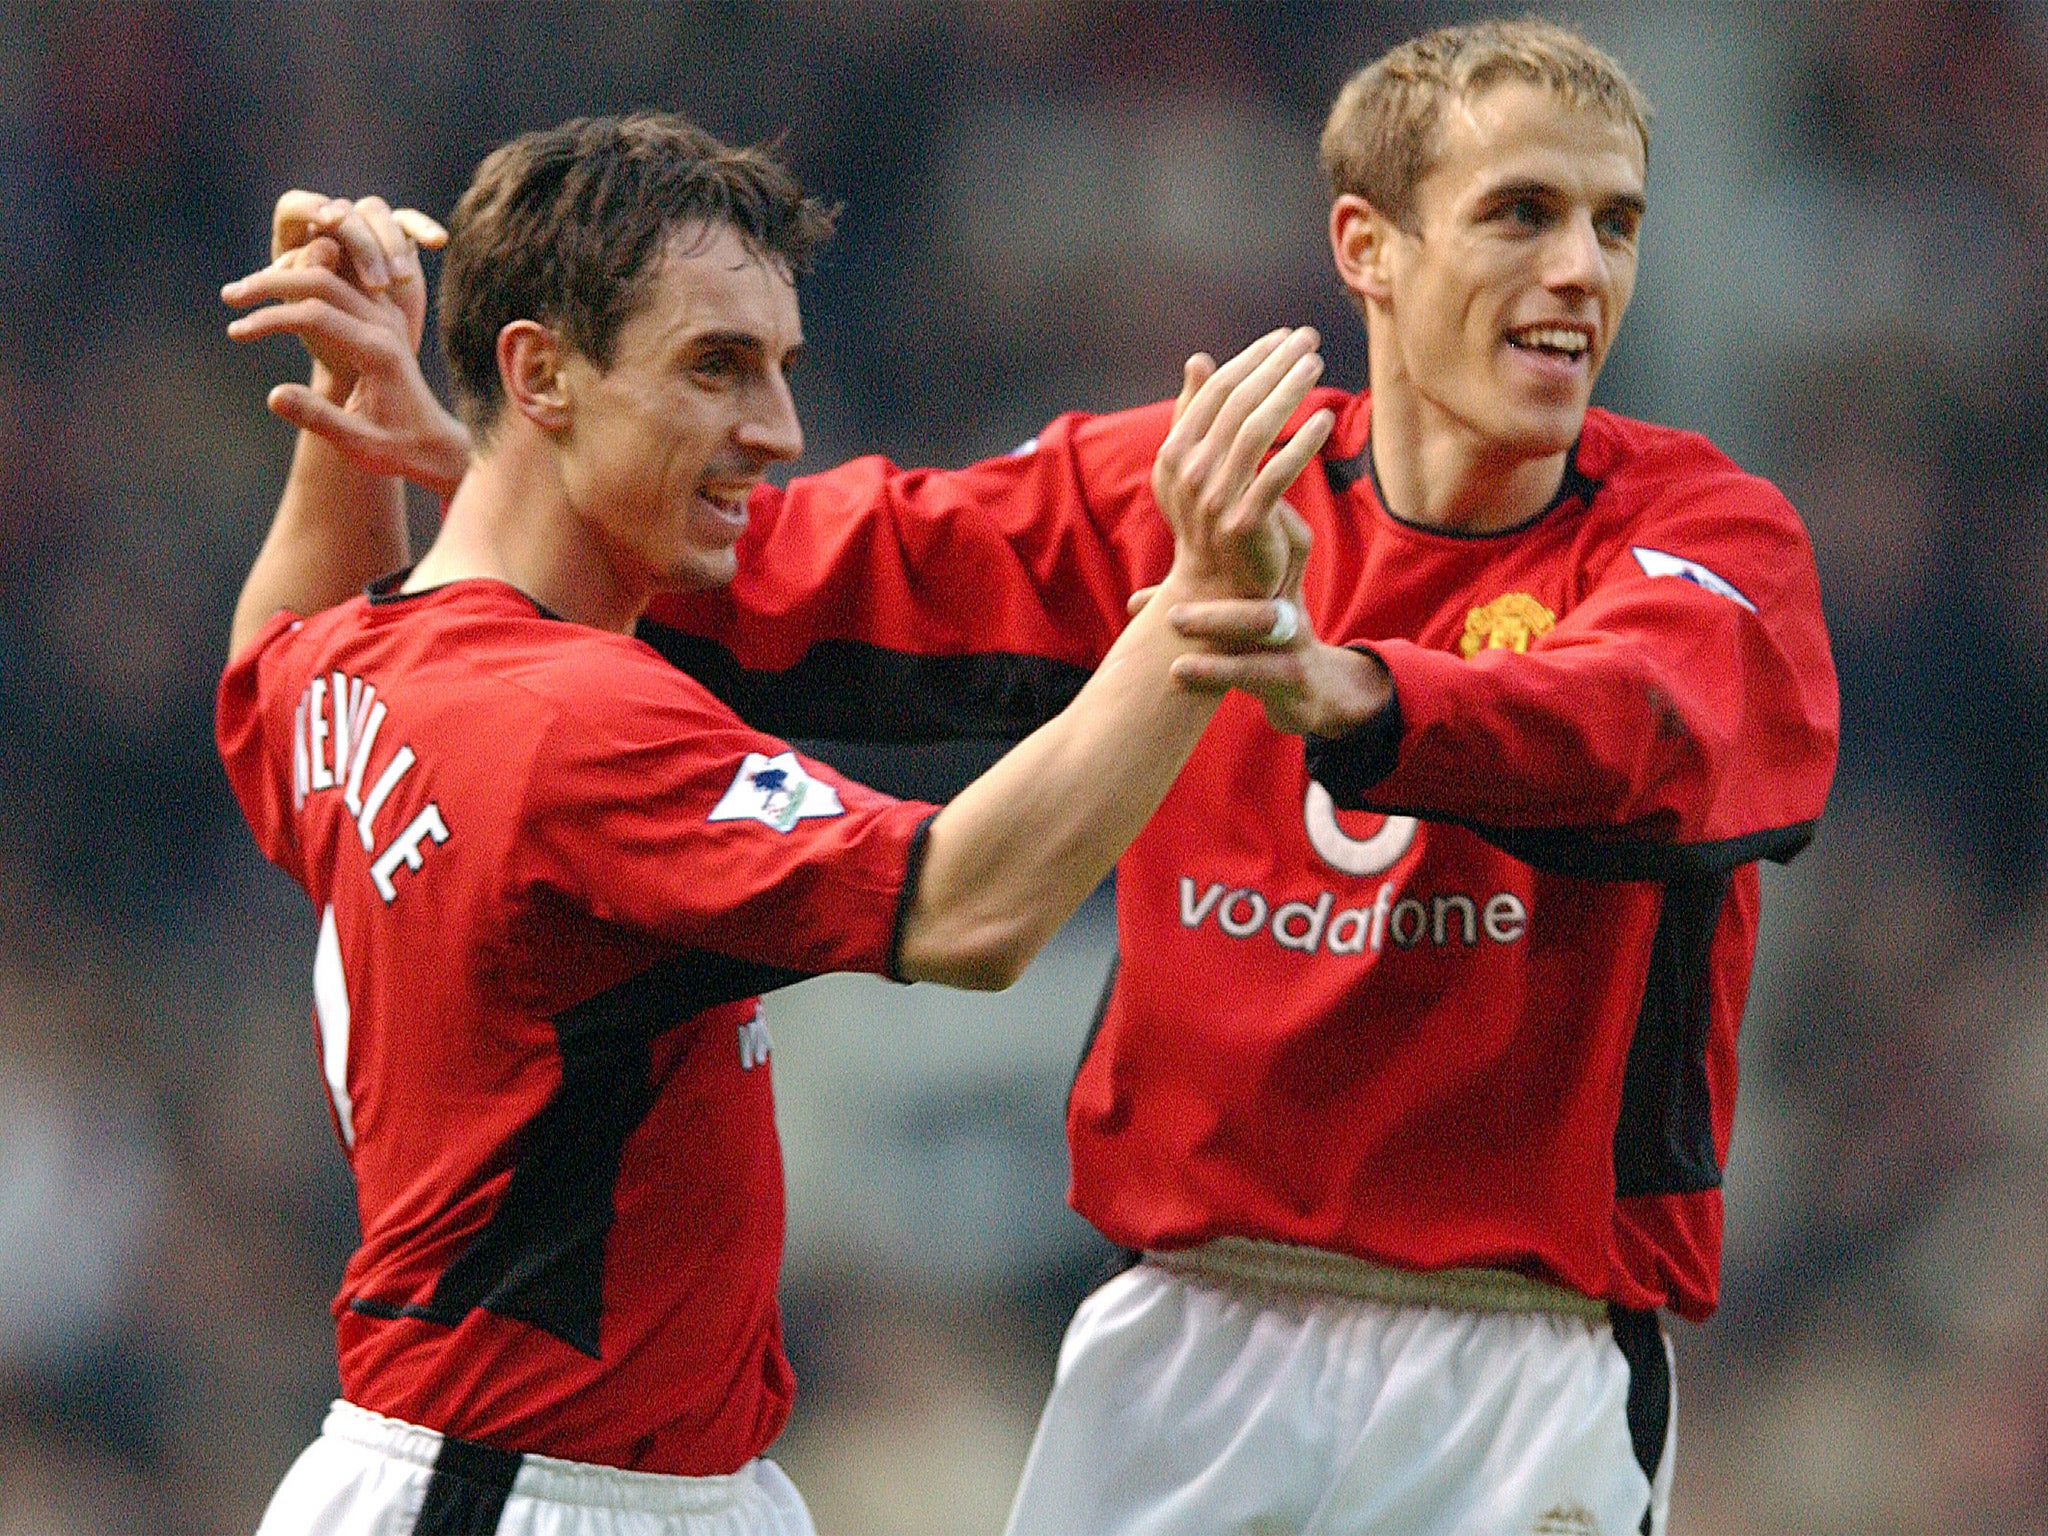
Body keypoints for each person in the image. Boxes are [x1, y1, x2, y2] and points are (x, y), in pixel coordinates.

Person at [249, 18, 1840, 1536]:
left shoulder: (1700, 537)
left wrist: (1342, 684)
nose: (1580, 267)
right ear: (1367, 247)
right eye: (1521, 211)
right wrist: (498, 470)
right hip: (1180, 1334)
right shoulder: (1191, 493)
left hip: (1512, 1352)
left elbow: (1654, 731)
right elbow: (812, 575)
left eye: (1617, 223)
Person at [215, 112, 1335, 1536]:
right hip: (539, 1496)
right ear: (538, 372)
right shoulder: (576, 726)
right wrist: (1196, 613)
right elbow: (966, 909)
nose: (779, 431)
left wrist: (344, 400)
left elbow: (273, 663)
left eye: (782, 369)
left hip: (563, 1476)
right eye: (716, 367)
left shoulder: (367, 664)